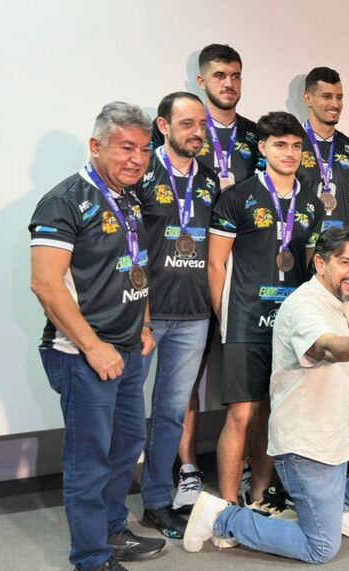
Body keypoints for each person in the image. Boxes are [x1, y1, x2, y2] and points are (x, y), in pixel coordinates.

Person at [183, 228, 349, 563]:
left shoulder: (338, 301)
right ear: (320, 264)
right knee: (321, 548)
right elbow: (325, 346)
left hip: (343, 423)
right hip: (308, 443)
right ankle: (221, 517)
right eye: (345, 262)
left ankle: (341, 503)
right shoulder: (304, 308)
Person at [29, 102, 161, 571]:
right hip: (83, 355)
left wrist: (144, 323)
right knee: (90, 459)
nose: (137, 158)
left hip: (128, 350)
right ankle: (89, 563)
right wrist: (93, 347)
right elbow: (45, 283)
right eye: (125, 147)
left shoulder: (128, 197)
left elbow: (132, 263)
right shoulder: (63, 201)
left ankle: (111, 531)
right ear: (96, 146)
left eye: (144, 149)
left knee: (126, 446)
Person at [151, 43, 261, 511]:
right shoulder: (179, 141)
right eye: (219, 76)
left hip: (241, 275)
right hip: (185, 281)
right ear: (202, 81)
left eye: (235, 75)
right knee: (187, 383)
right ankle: (189, 469)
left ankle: (250, 464)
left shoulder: (257, 137)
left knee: (247, 383)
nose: (229, 84)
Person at [208, 111, 323, 513]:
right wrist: (225, 317)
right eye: (280, 145)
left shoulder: (310, 203)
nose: (289, 153)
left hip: (289, 326)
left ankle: (259, 497)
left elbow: (312, 270)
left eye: (296, 146)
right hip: (245, 319)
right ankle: (225, 506)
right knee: (242, 414)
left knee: (273, 414)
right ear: (262, 148)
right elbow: (216, 264)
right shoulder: (237, 197)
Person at [135, 92, 219, 535]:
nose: (197, 133)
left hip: (193, 314)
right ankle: (109, 511)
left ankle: (155, 500)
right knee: (127, 413)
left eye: (202, 125)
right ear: (163, 127)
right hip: (143, 313)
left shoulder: (208, 178)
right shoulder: (142, 171)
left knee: (169, 411)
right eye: (187, 124)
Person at [297, 66, 349, 234]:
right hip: (301, 249)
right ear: (308, 99)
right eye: (327, 96)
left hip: (340, 252)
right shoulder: (293, 144)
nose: (335, 104)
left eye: (339, 97)